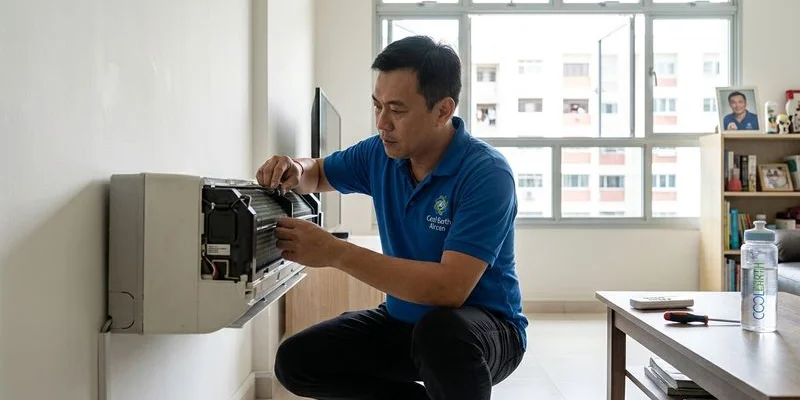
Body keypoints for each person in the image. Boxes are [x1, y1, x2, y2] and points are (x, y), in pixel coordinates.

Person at [256, 35, 527, 400]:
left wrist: (336, 253)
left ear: (443, 111)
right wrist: (293, 166)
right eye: (377, 106)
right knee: (297, 361)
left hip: (484, 328)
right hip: (405, 323)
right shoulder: (379, 155)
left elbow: (449, 289)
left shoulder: (486, 174)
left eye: (397, 110)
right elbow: (318, 173)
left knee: (441, 333)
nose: (383, 123)